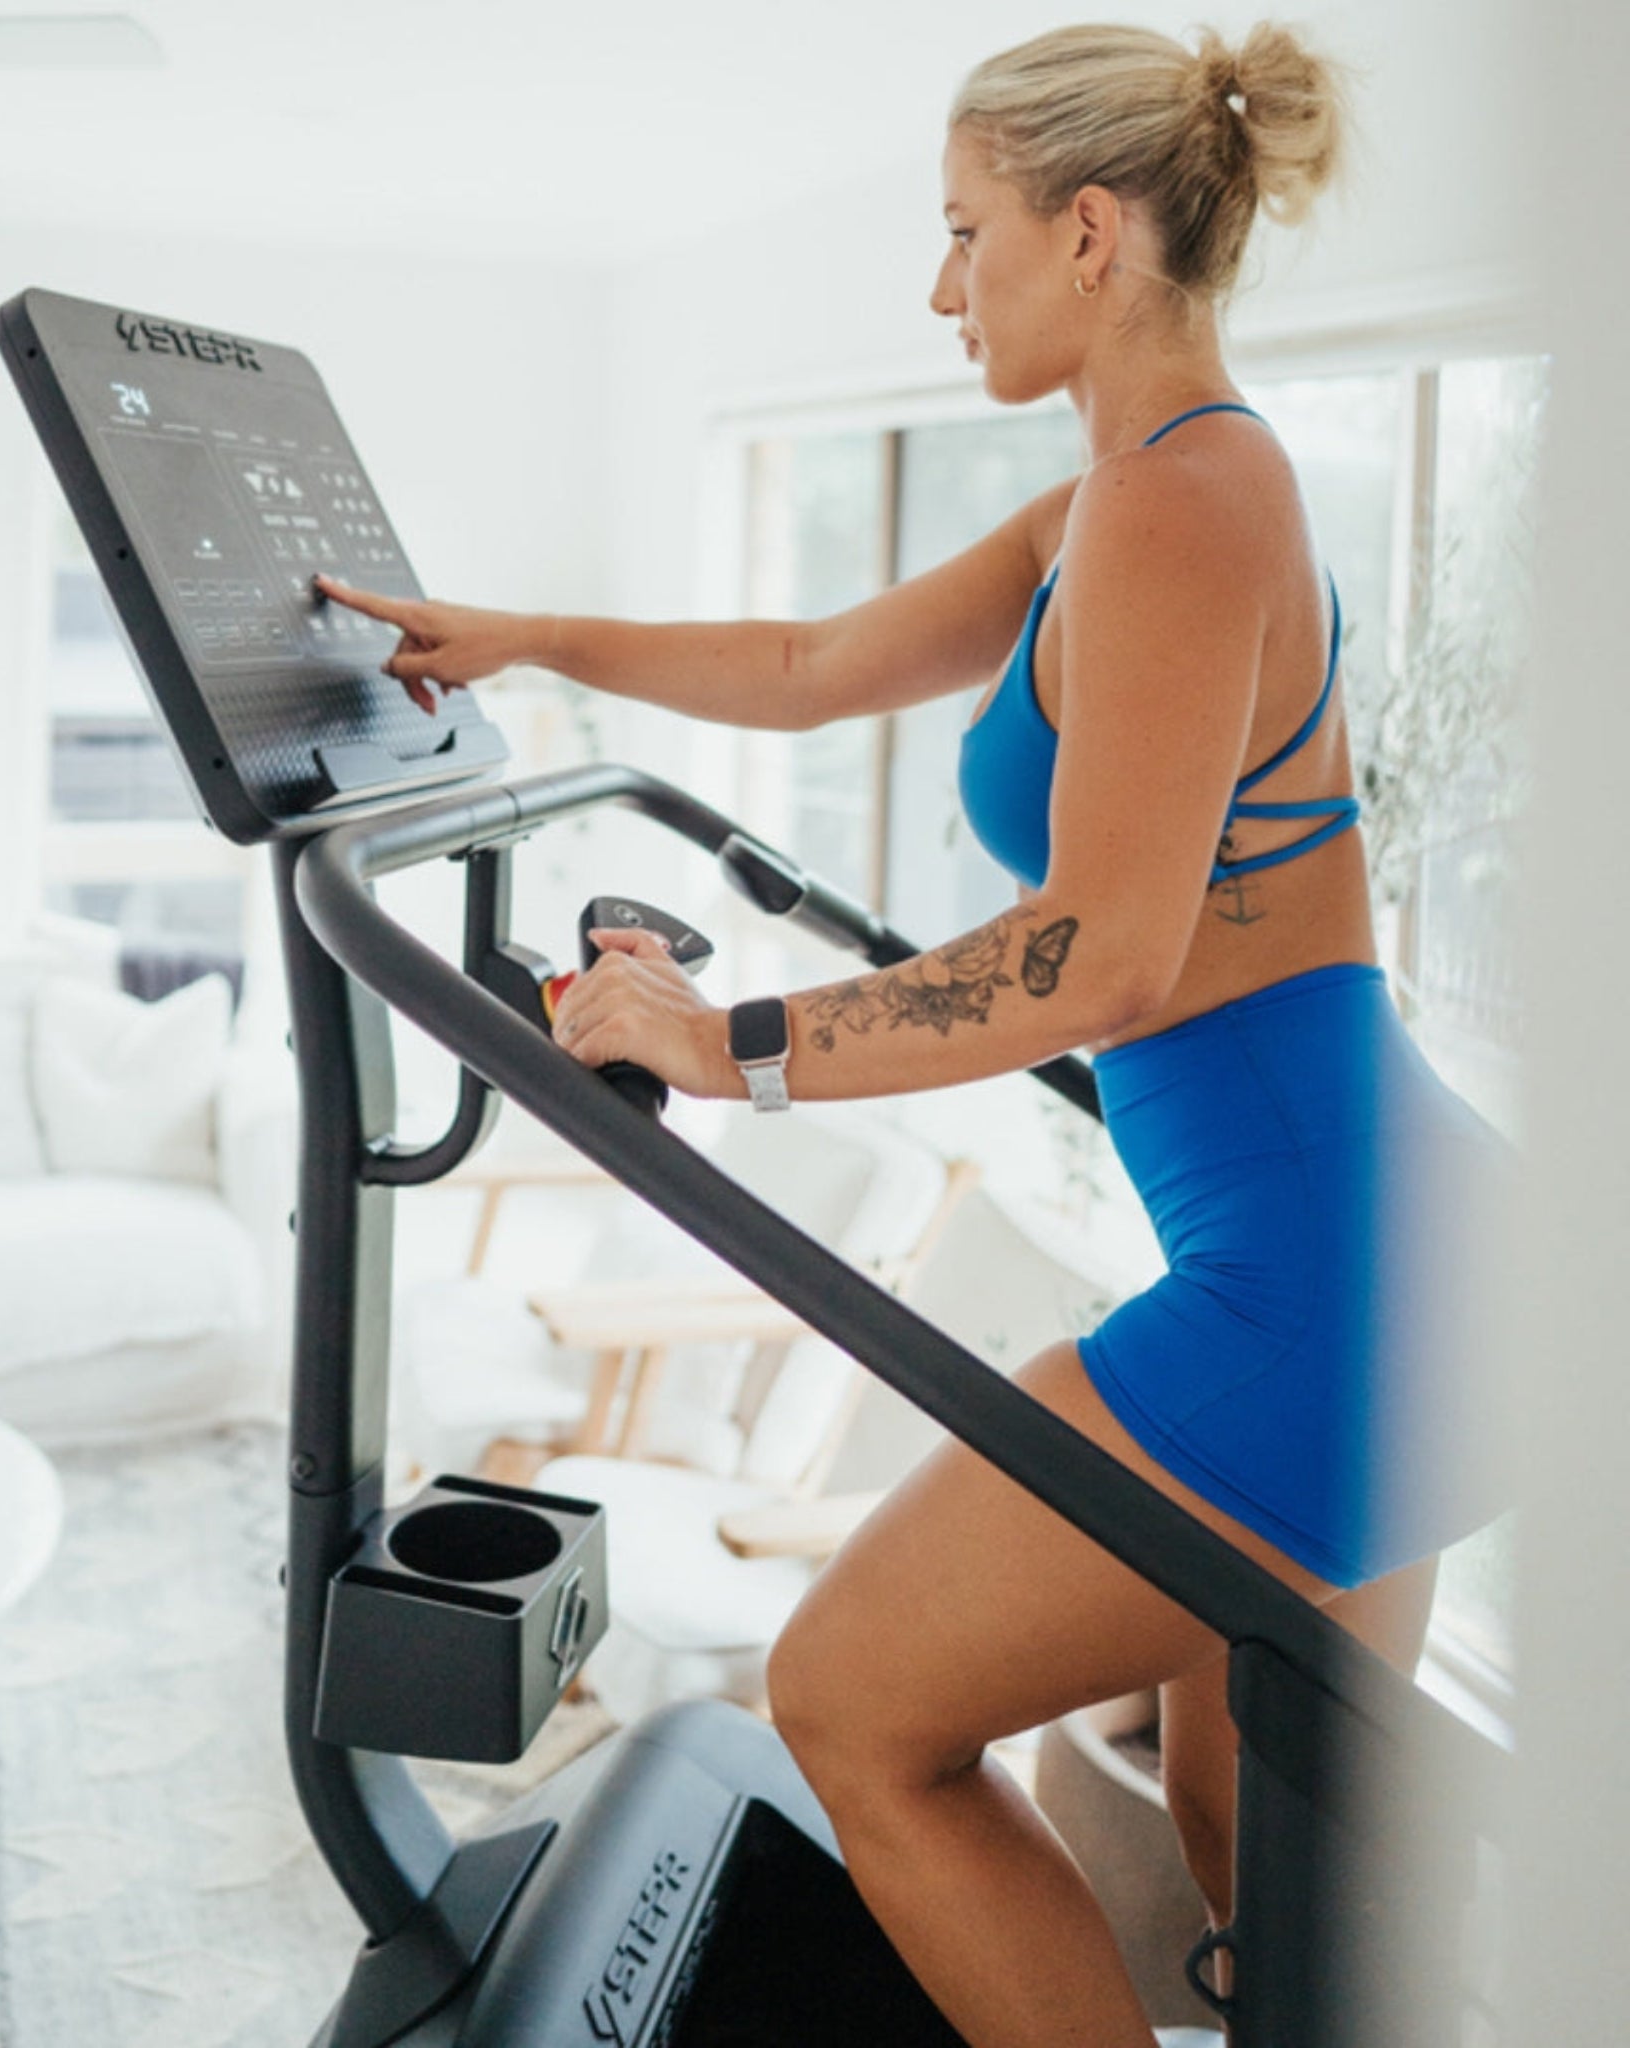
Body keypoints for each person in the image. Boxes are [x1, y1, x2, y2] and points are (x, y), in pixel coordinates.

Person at [318, 20, 1504, 2043]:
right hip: (1390, 1259)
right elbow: (804, 661)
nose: (939, 287)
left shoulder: (1190, 501)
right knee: (1281, 1887)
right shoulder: (1112, 507)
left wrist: (729, 1038)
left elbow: (1098, 960)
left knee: (852, 1705)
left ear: (1091, 232)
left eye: (964, 238)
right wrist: (527, 634)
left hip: (1329, 1284)